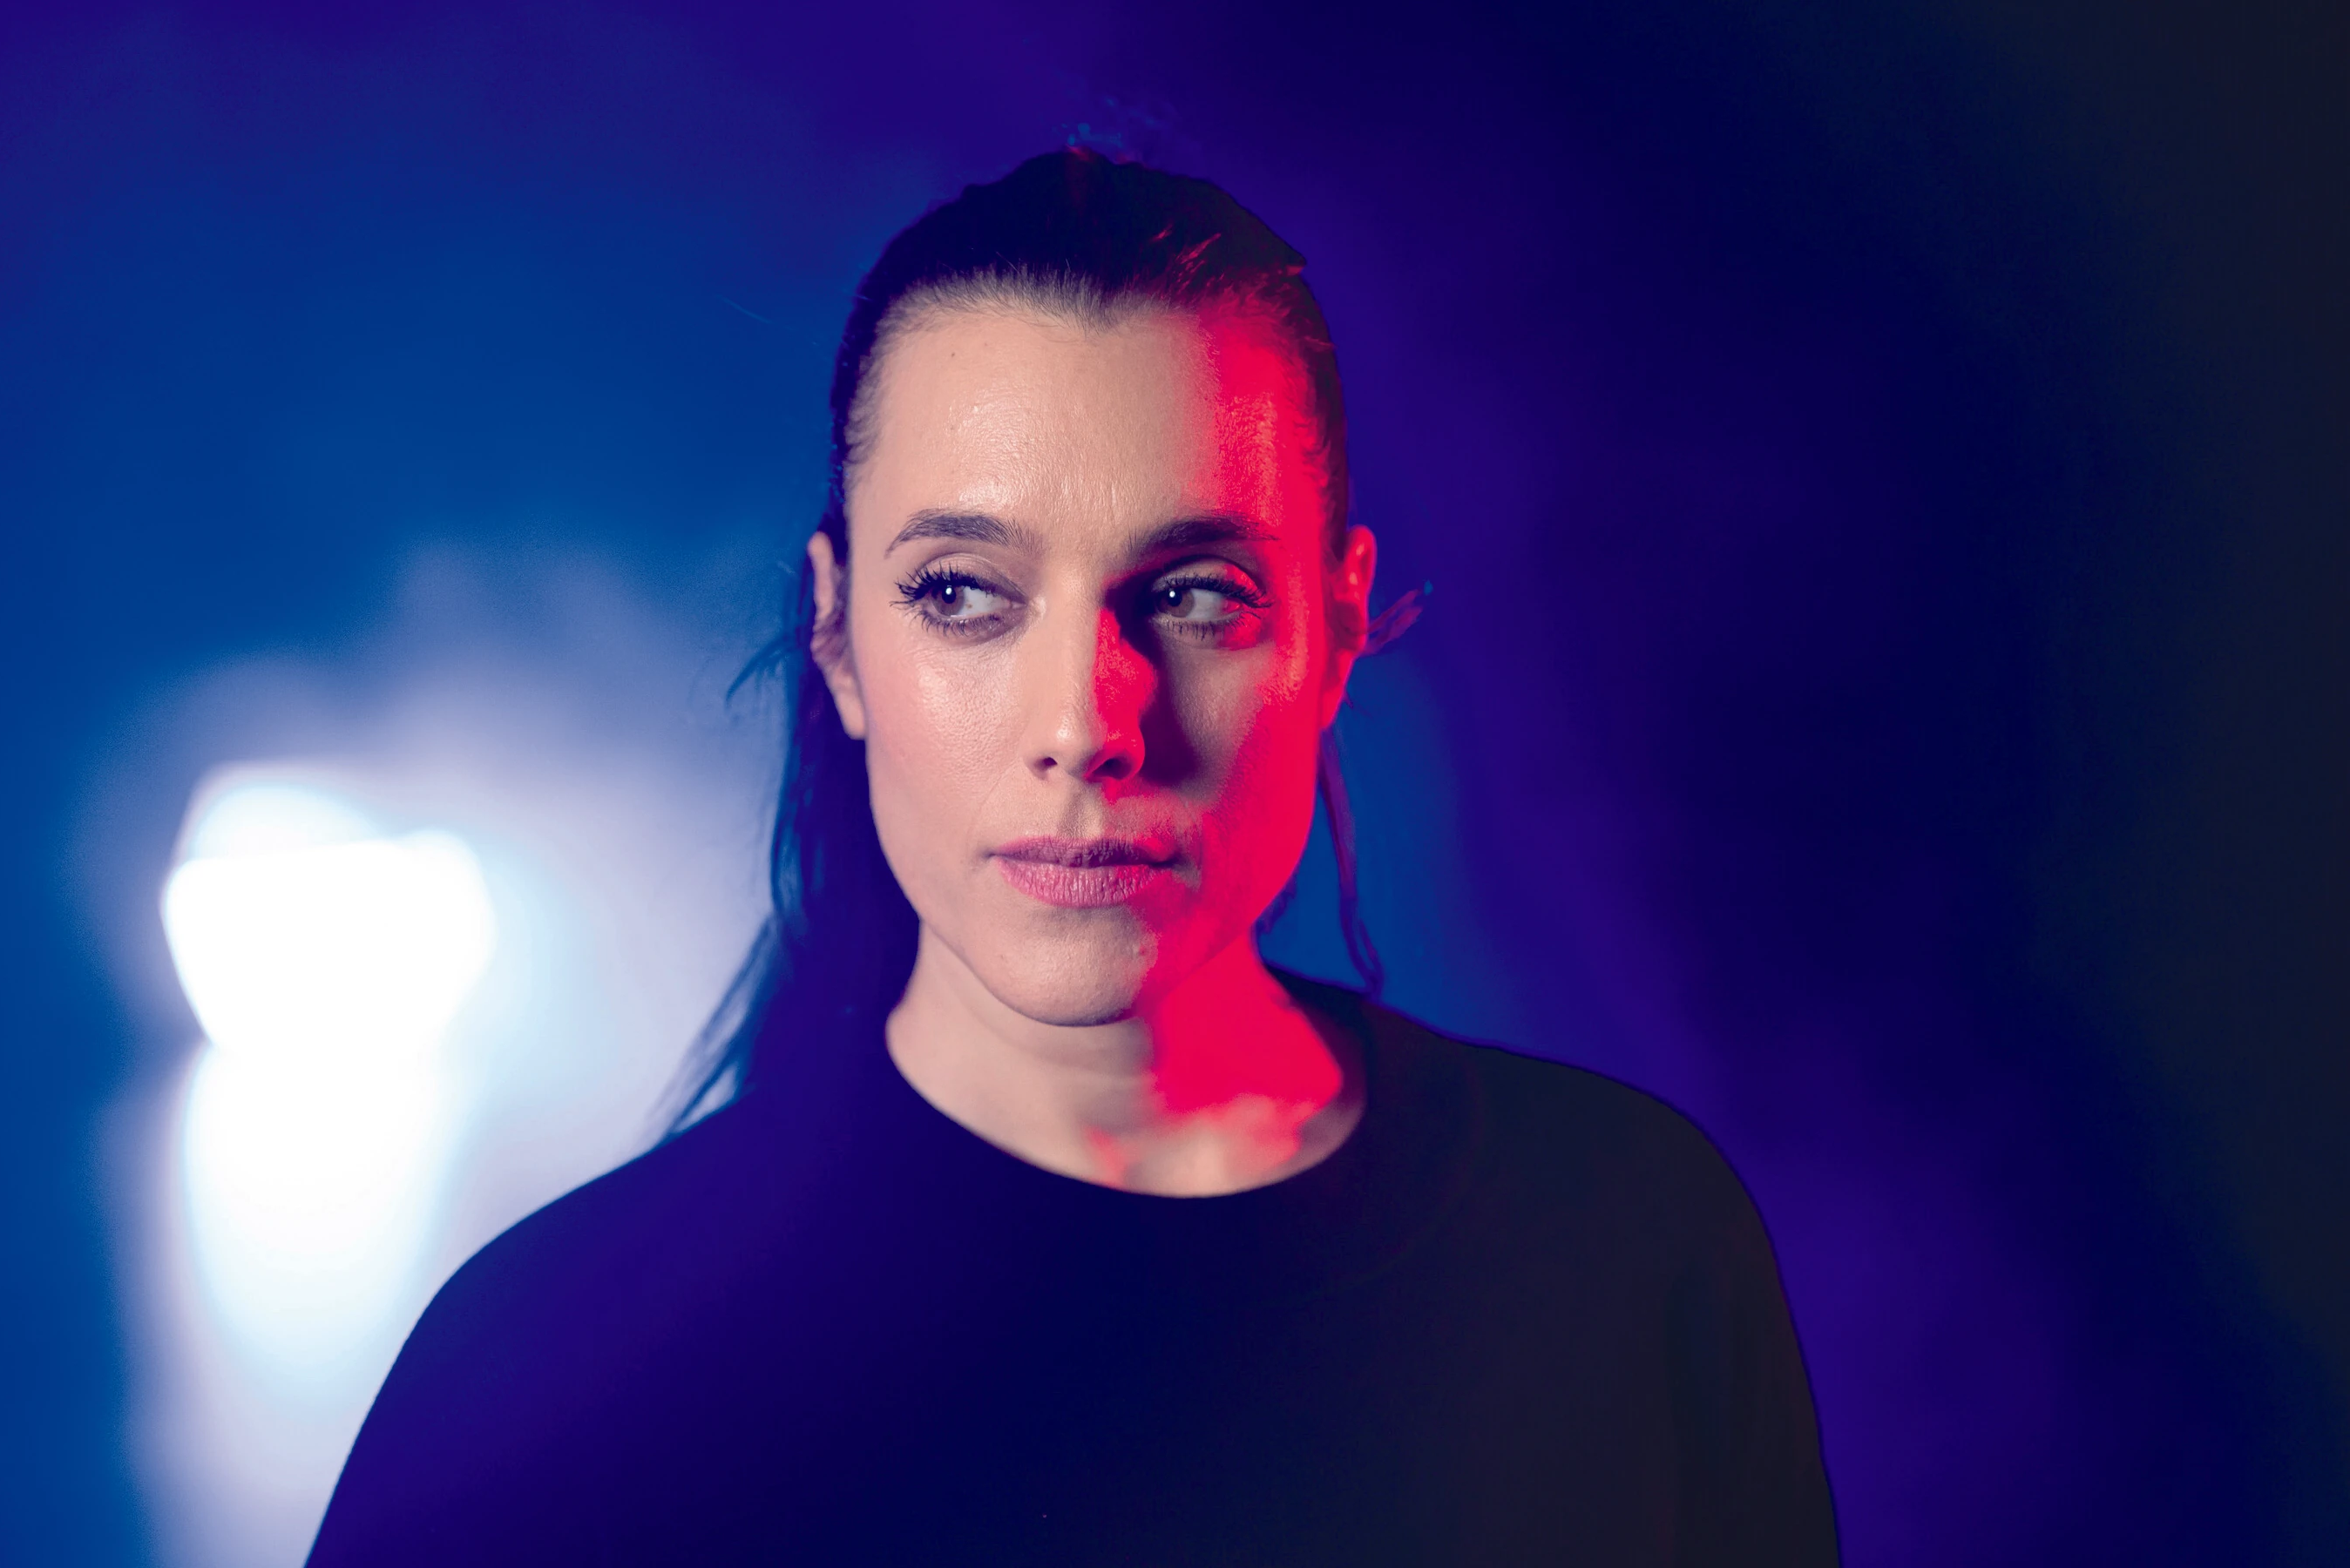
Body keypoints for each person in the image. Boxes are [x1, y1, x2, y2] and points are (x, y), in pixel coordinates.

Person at [307, 147, 1838, 1565]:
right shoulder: (548, 1379)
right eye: (963, 592)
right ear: (837, 634)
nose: (1087, 725)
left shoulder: (1630, 1244)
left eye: (1196, 593)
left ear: (1338, 625)